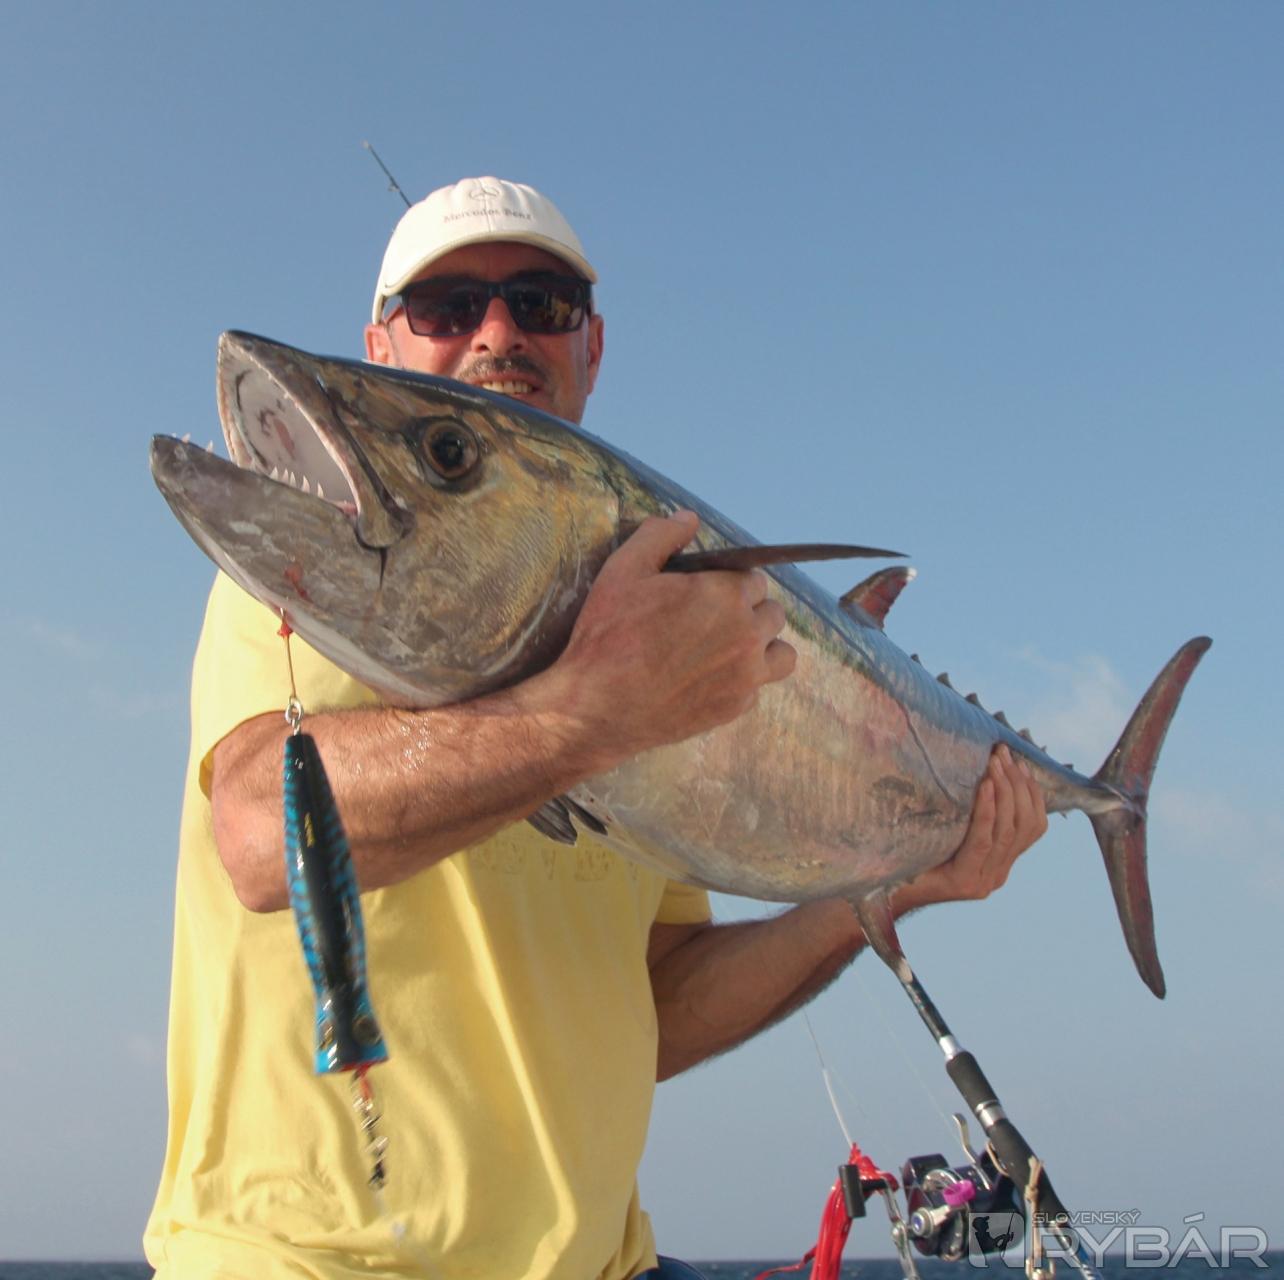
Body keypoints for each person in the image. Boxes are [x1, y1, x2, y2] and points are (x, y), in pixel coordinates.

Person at [144, 177, 1048, 1280]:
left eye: (541, 302)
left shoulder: (674, 639)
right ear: (381, 343)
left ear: (593, 347)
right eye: (444, 306)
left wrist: (880, 896)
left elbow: (659, 1005)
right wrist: (591, 709)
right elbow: (260, 834)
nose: (497, 332)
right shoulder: (313, 580)